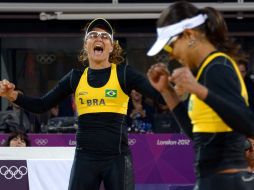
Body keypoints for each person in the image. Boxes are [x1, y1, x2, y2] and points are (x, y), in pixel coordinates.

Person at [0, 18, 163, 190]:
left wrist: (169, 88)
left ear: (112, 47)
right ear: (86, 45)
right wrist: (12, 95)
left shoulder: (124, 74)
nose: (99, 38)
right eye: (93, 35)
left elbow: (160, 97)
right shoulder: (75, 77)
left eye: (105, 36)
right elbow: (42, 105)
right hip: (85, 159)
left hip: (117, 158)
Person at [146, 1, 254, 190]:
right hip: (212, 181)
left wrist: (199, 90)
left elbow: (249, 123)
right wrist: (167, 91)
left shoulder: (218, 67)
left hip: (227, 182)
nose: (171, 55)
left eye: (170, 46)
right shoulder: (205, 70)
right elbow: (196, 133)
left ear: (189, 35)